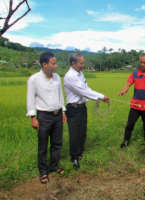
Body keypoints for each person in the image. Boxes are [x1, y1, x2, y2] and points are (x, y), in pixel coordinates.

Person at [26, 52, 66, 184]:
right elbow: (30, 99)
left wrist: (63, 111)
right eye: (53, 63)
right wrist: (33, 117)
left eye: (56, 63)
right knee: (42, 145)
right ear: (44, 64)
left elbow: (60, 95)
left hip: (57, 114)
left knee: (57, 143)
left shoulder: (57, 77)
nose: (56, 66)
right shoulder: (34, 79)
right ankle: (43, 171)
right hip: (43, 116)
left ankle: (54, 166)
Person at [64, 53, 109, 170]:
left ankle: (79, 153)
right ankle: (74, 158)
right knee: (74, 134)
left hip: (82, 108)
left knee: (82, 132)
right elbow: (83, 91)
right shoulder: (70, 76)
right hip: (73, 109)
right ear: (73, 63)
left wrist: (99, 96)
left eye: (83, 63)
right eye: (81, 63)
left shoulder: (80, 74)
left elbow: (87, 88)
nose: (83, 66)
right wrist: (101, 97)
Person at [118, 54, 145, 148]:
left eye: (144, 62)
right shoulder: (135, 74)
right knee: (129, 125)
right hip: (135, 106)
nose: (142, 64)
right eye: (141, 62)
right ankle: (125, 141)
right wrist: (124, 91)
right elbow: (128, 83)